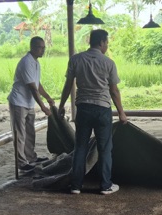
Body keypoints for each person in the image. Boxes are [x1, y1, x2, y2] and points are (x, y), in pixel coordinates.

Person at [58, 29, 128, 195]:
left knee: (80, 147)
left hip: (83, 109)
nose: (107, 45)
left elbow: (68, 85)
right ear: (102, 42)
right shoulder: (108, 63)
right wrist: (121, 112)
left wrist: (61, 105)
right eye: (107, 42)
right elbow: (114, 91)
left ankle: (76, 185)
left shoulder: (76, 59)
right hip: (102, 109)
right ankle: (105, 185)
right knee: (104, 148)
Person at [8, 36, 56, 173]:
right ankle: (22, 162)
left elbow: (37, 83)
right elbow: (32, 88)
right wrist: (43, 107)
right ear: (32, 47)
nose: (42, 50)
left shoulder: (35, 62)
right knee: (20, 133)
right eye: (40, 47)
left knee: (30, 132)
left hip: (29, 103)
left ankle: (31, 157)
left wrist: (48, 97)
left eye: (44, 47)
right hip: (19, 102)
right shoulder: (26, 62)